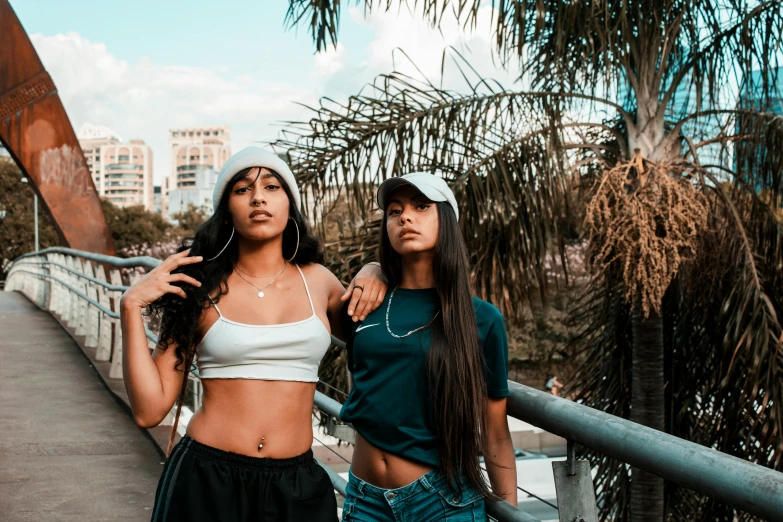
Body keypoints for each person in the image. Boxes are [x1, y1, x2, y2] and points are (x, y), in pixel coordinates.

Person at [119, 147, 387, 522]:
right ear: (226, 209)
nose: (258, 197)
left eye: (272, 186)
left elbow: (381, 336)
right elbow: (149, 411)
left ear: (289, 205)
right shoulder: (198, 289)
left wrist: (377, 269)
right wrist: (130, 305)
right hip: (207, 480)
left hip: (298, 487)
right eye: (242, 189)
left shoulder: (320, 283)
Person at [339, 173, 518, 521]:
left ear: (446, 220)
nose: (405, 217)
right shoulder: (365, 304)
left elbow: (495, 432)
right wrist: (372, 267)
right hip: (364, 500)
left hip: (440, 502)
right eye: (394, 211)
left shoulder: (481, 319)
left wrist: (508, 511)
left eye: (421, 207)